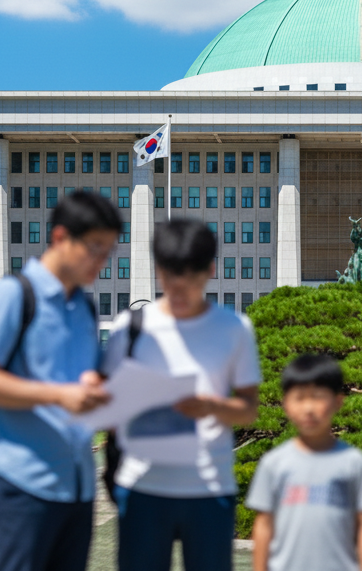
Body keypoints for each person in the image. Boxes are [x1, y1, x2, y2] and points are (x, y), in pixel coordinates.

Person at [0, 190, 120, 571]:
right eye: (95, 248)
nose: (103, 261)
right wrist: (59, 395)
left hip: (77, 486)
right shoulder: (12, 296)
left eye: (109, 251)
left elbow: (86, 379)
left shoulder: (83, 307)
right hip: (21, 484)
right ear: (61, 237)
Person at [106, 218, 261, 571]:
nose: (179, 289)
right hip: (142, 486)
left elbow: (249, 409)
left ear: (210, 269)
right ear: (159, 270)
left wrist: (211, 406)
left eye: (190, 278)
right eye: (170, 276)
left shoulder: (235, 328)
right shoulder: (129, 329)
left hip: (209, 487)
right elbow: (109, 408)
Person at [246, 354, 362, 571]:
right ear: (286, 404)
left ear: (338, 401)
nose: (308, 408)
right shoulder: (273, 463)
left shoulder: (354, 462)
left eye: (318, 397)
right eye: (299, 398)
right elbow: (263, 525)